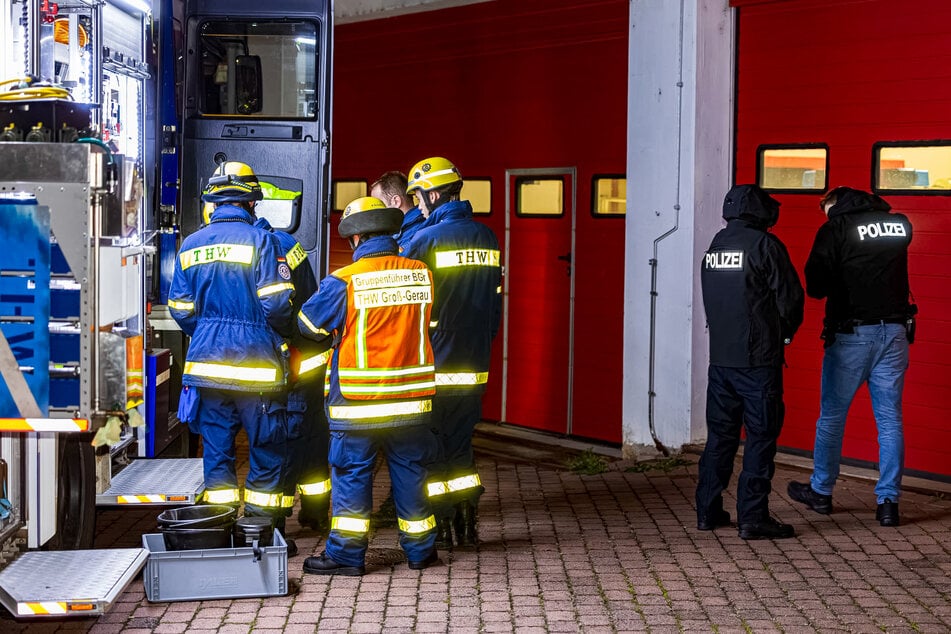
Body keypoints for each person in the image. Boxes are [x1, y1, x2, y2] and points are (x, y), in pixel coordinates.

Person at [298, 196, 440, 576]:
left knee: (352, 476)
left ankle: (346, 556)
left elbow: (308, 326)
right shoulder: (420, 273)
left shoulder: (343, 281)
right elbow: (432, 325)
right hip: (412, 400)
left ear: (356, 238)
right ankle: (422, 552)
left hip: (358, 403)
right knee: (411, 474)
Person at [169, 161, 297, 533]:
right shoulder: (263, 241)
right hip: (257, 367)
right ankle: (259, 531)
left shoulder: (191, 244)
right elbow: (277, 305)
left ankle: (220, 528)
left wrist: (208, 330)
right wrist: (279, 334)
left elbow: (180, 308)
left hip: (207, 369)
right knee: (267, 449)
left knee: (217, 453)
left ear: (213, 203)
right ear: (251, 203)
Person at [788, 186, 914, 527]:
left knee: (832, 417)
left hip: (853, 335)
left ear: (834, 204)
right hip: (895, 332)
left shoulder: (835, 228)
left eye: (826, 208)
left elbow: (815, 286)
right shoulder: (898, 224)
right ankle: (888, 503)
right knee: (890, 420)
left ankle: (822, 491)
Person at [695, 184, 804, 540]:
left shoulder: (716, 247)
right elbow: (791, 300)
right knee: (760, 437)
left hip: (721, 362)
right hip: (758, 363)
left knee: (720, 438)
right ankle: (753, 518)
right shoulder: (765, 245)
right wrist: (783, 336)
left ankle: (707, 511)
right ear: (760, 212)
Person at [404, 157, 502, 549]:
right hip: (474, 363)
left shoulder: (423, 241)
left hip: (435, 363)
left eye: (418, 197)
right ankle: (467, 522)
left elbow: (411, 307)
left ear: (432, 194)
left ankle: (441, 525)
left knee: (431, 449)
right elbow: (495, 305)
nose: (417, 205)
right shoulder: (487, 237)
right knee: (461, 445)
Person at [253, 214, 332, 534]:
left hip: (293, 360)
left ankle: (277, 523)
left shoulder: (266, 249)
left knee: (286, 441)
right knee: (314, 437)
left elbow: (276, 311)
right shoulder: (290, 243)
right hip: (312, 357)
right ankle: (315, 511)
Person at [370, 170, 425, 252]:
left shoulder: (415, 234)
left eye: (379, 204)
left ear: (396, 201)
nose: (375, 212)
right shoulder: (401, 230)